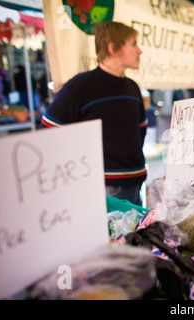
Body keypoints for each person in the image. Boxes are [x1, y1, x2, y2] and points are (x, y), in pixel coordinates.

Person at [40, 21, 148, 206]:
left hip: (136, 182)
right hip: (104, 188)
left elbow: (141, 130)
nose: (140, 51)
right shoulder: (81, 86)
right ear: (113, 49)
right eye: (133, 44)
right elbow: (50, 129)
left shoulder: (132, 87)